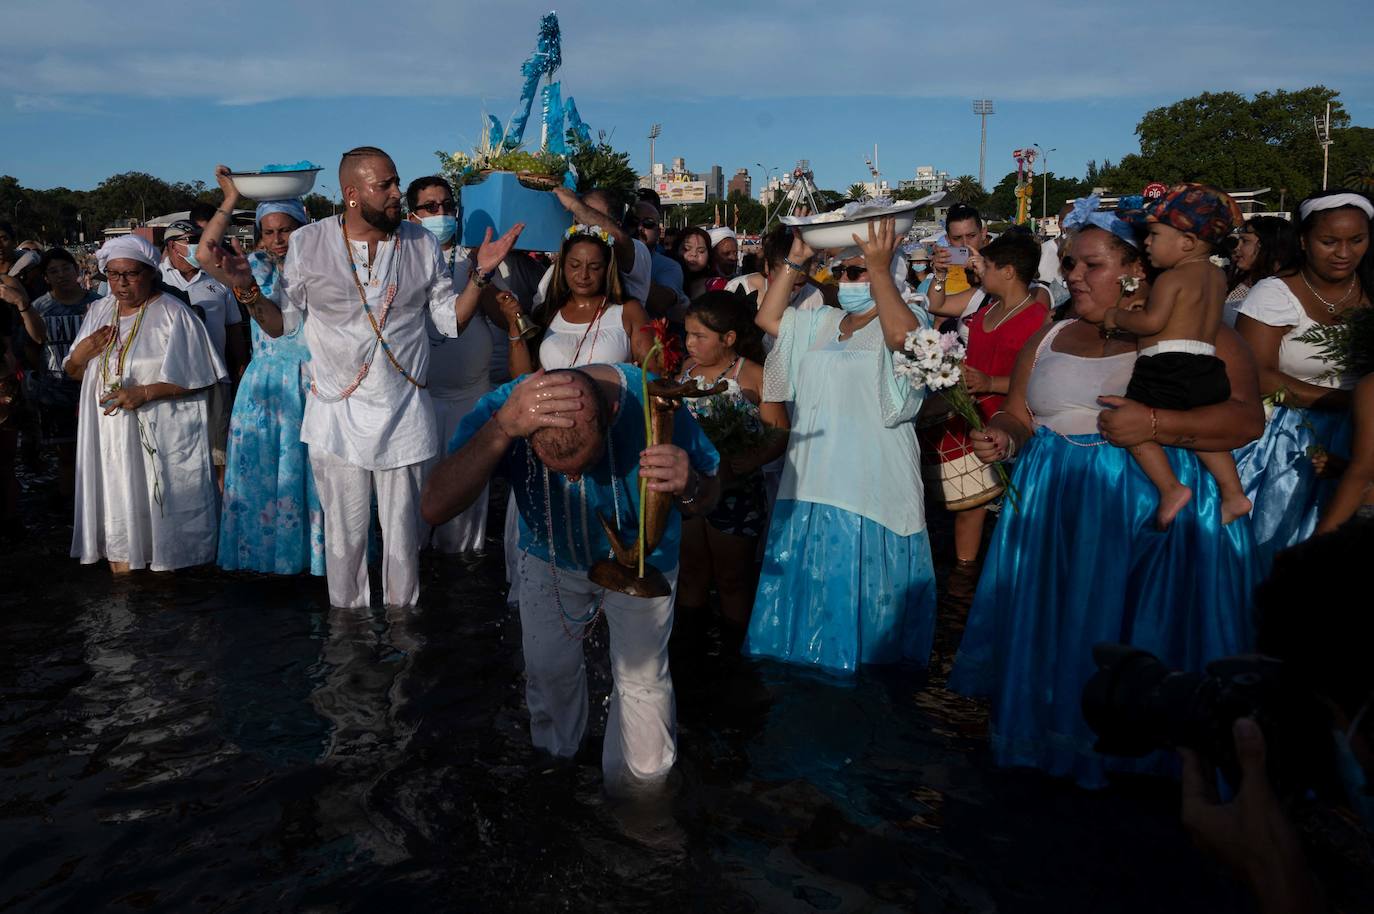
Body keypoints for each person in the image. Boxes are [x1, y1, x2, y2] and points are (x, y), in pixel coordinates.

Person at [946, 216, 1265, 788]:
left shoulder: (1198, 331)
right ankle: (1054, 747)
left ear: (1135, 270)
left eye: (1092, 264)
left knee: (1140, 636)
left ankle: (1152, 772)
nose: (1075, 275)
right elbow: (1019, 414)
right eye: (1070, 263)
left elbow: (1246, 419)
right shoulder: (1049, 333)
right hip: (1053, 516)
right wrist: (1002, 437)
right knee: (1063, 631)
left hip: (1146, 518)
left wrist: (1158, 421)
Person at [200, 146, 524, 608]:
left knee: (403, 539)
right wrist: (247, 290)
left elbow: (448, 321)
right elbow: (284, 324)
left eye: (396, 183)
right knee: (344, 538)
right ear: (352, 195)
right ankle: (348, 643)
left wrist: (481, 275)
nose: (397, 193)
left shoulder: (420, 243)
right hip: (336, 412)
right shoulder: (310, 243)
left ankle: (404, 634)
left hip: (404, 412)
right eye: (386, 185)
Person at [420, 365, 721, 791]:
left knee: (643, 683)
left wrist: (689, 483)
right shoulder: (506, 409)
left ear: (612, 414)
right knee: (547, 671)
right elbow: (433, 507)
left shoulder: (652, 400)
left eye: (585, 464)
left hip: (643, 567)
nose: (575, 479)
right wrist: (502, 429)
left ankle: (642, 796)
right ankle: (556, 769)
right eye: (559, 471)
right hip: (550, 555)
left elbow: (710, 493)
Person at [746, 217, 937, 674]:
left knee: (869, 655)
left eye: (857, 272)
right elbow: (767, 318)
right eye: (842, 272)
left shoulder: (914, 319)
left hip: (869, 489)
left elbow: (902, 339)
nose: (846, 280)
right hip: (812, 482)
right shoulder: (823, 323)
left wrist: (880, 266)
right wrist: (796, 261)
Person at [499, 223, 651, 601]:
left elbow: (652, 373)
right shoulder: (547, 311)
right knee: (547, 549)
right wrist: (514, 325)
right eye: (575, 265)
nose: (583, 275)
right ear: (562, 267)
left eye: (594, 266)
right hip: (548, 439)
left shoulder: (627, 311)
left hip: (610, 440)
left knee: (608, 534)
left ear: (608, 268)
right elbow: (521, 378)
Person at [64, 235, 227, 572]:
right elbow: (75, 372)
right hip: (109, 432)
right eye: (113, 274)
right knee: (118, 498)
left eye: (131, 274)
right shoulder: (99, 310)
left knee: (160, 506)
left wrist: (144, 393)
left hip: (159, 430)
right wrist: (82, 353)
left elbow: (199, 376)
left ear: (151, 273)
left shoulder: (173, 314)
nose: (121, 283)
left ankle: (167, 574)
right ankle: (123, 563)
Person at [1233, 190, 1371, 569]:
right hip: (1291, 439)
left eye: (1356, 241)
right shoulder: (1274, 293)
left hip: (1364, 438)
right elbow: (1257, 376)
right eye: (1329, 242)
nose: (1344, 252)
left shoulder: (1369, 290)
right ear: (1303, 241)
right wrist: (1349, 402)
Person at [199, 165, 325, 576]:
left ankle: (315, 559)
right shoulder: (250, 266)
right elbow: (204, 253)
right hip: (266, 384)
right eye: (268, 232)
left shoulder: (323, 267)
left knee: (312, 474)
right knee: (264, 472)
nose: (276, 240)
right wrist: (231, 198)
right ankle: (265, 559)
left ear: (303, 229)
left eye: (285, 230)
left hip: (315, 381)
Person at [1101, 183, 1251, 529]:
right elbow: (1191, 319)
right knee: (1207, 438)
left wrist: (1119, 317)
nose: (1146, 243)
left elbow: (1153, 323)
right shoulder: (1216, 276)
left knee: (1132, 425)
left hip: (1166, 364)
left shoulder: (1172, 278)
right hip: (1207, 364)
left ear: (1186, 242)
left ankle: (1170, 488)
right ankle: (1233, 492)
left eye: (1153, 234)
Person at [917, 231, 1049, 597]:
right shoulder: (987, 307)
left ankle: (991, 578)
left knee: (1004, 510)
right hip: (973, 419)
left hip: (1011, 423)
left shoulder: (1037, 316)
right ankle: (965, 578)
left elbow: (1040, 377)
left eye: (987, 266)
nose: (980, 271)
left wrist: (991, 382)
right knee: (970, 508)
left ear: (1008, 271)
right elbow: (936, 303)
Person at [677, 291, 789, 642]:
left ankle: (734, 649)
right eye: (688, 334)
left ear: (728, 339)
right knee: (692, 571)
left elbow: (780, 432)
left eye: (700, 336)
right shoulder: (686, 370)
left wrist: (750, 460)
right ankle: (688, 644)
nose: (690, 343)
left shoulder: (755, 374)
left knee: (732, 578)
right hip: (693, 488)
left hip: (737, 491)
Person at [406, 174, 494, 556]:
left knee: (465, 498)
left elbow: (507, 317)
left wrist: (483, 276)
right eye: (430, 208)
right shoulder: (398, 260)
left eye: (447, 207)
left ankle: (463, 573)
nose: (441, 214)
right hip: (417, 400)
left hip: (469, 398)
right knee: (414, 501)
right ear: (412, 217)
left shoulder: (477, 258)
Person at [161, 219, 249, 488]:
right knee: (177, 456)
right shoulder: (156, 279)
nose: (195, 248)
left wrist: (242, 368)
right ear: (171, 246)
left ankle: (221, 515)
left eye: (199, 242)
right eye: (189, 242)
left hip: (215, 378)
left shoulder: (218, 280)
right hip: (170, 383)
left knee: (218, 454)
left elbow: (233, 329)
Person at [24, 248, 99, 499]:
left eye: (66, 268)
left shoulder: (97, 303)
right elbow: (32, 348)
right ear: (46, 277)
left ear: (77, 270)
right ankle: (70, 506)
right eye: (53, 271)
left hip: (93, 388)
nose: (61, 275)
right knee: (66, 455)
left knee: (98, 452)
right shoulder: (39, 307)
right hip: (56, 392)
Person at [625, 198, 688, 320]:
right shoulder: (608, 255)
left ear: (659, 233)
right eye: (633, 222)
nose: (639, 228)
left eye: (648, 223)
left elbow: (662, 302)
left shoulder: (670, 266)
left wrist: (631, 264)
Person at [1225, 215, 1299, 317]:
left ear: (1267, 245)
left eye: (1245, 241)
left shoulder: (1285, 293)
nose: (1237, 247)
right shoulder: (1238, 282)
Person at [674, 227, 721, 300]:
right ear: (676, 250)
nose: (694, 254)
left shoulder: (716, 285)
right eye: (686, 249)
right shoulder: (666, 279)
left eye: (701, 251)